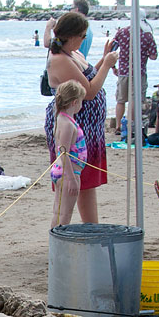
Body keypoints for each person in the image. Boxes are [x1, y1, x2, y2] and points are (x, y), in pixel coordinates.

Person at [43, 12, 118, 223]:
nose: (84, 40)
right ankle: (70, 230)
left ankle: (91, 226)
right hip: (75, 124)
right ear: (72, 36)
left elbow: (91, 73)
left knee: (88, 181)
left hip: (89, 125)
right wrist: (108, 64)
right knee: (73, 181)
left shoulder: (73, 54)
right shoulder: (59, 59)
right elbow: (89, 90)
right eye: (82, 35)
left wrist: (104, 58)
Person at [110, 9, 158, 136]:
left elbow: (112, 49)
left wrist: (113, 67)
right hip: (139, 72)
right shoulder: (147, 34)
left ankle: (118, 125)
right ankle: (131, 124)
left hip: (123, 71)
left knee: (120, 100)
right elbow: (154, 56)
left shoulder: (122, 32)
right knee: (134, 100)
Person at [49, 80, 86, 228]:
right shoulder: (67, 123)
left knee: (59, 212)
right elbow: (63, 152)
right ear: (75, 102)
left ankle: (56, 243)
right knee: (64, 214)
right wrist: (72, 179)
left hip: (63, 171)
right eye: (81, 102)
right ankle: (58, 244)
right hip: (67, 173)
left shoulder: (62, 118)